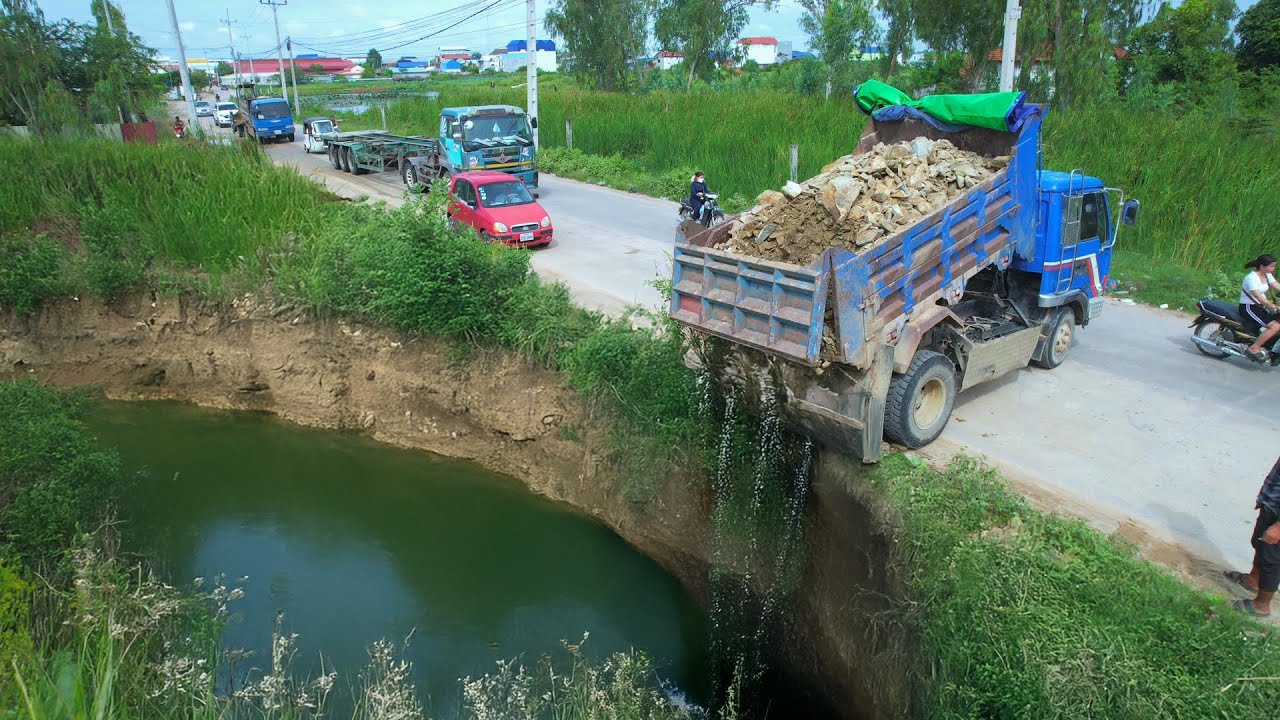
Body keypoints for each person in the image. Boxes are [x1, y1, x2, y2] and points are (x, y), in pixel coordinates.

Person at [1225, 457, 1280, 616]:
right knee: (1260, 542)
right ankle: (1253, 580)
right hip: (1272, 504)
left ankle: (1261, 605)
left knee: (1270, 558)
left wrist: (1278, 527)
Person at [1240, 254, 1280, 362]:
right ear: (1262, 266)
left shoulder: (1267, 275)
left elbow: (1277, 285)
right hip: (1249, 307)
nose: (1273, 268)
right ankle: (1254, 347)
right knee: (1275, 326)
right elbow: (1257, 296)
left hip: (1260, 306)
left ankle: (1268, 345)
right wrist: (1271, 305)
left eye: (1274, 266)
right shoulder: (1251, 278)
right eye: (1271, 266)